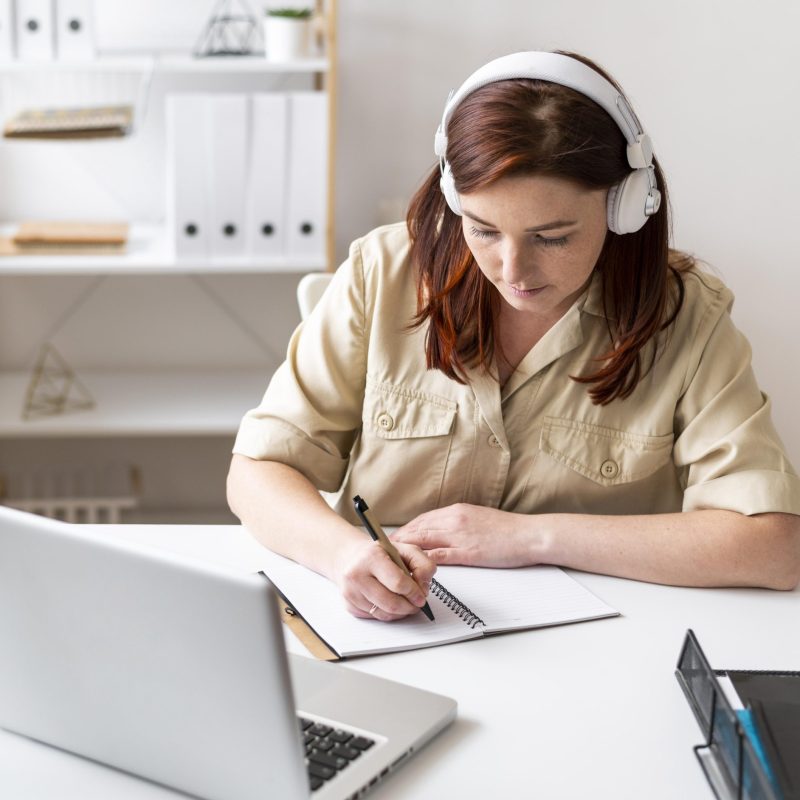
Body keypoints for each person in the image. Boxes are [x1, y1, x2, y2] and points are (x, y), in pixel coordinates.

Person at [227, 50, 800, 623]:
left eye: (552, 237)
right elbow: (257, 473)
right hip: (393, 638)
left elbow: (774, 546)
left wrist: (531, 538)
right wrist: (344, 554)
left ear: (624, 208)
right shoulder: (382, 273)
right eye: (483, 229)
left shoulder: (686, 314)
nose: (513, 270)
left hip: (599, 655)